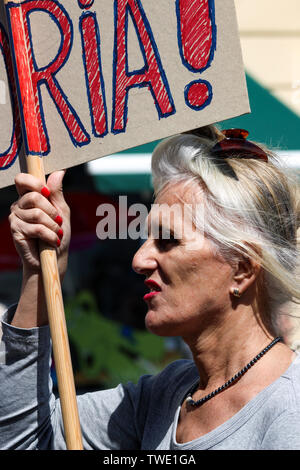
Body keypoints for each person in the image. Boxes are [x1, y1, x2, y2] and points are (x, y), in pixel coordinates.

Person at [1, 125, 300, 450]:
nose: (140, 259)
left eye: (168, 240)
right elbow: (25, 440)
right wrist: (40, 271)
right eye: (146, 238)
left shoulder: (289, 413)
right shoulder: (164, 397)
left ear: (241, 268)